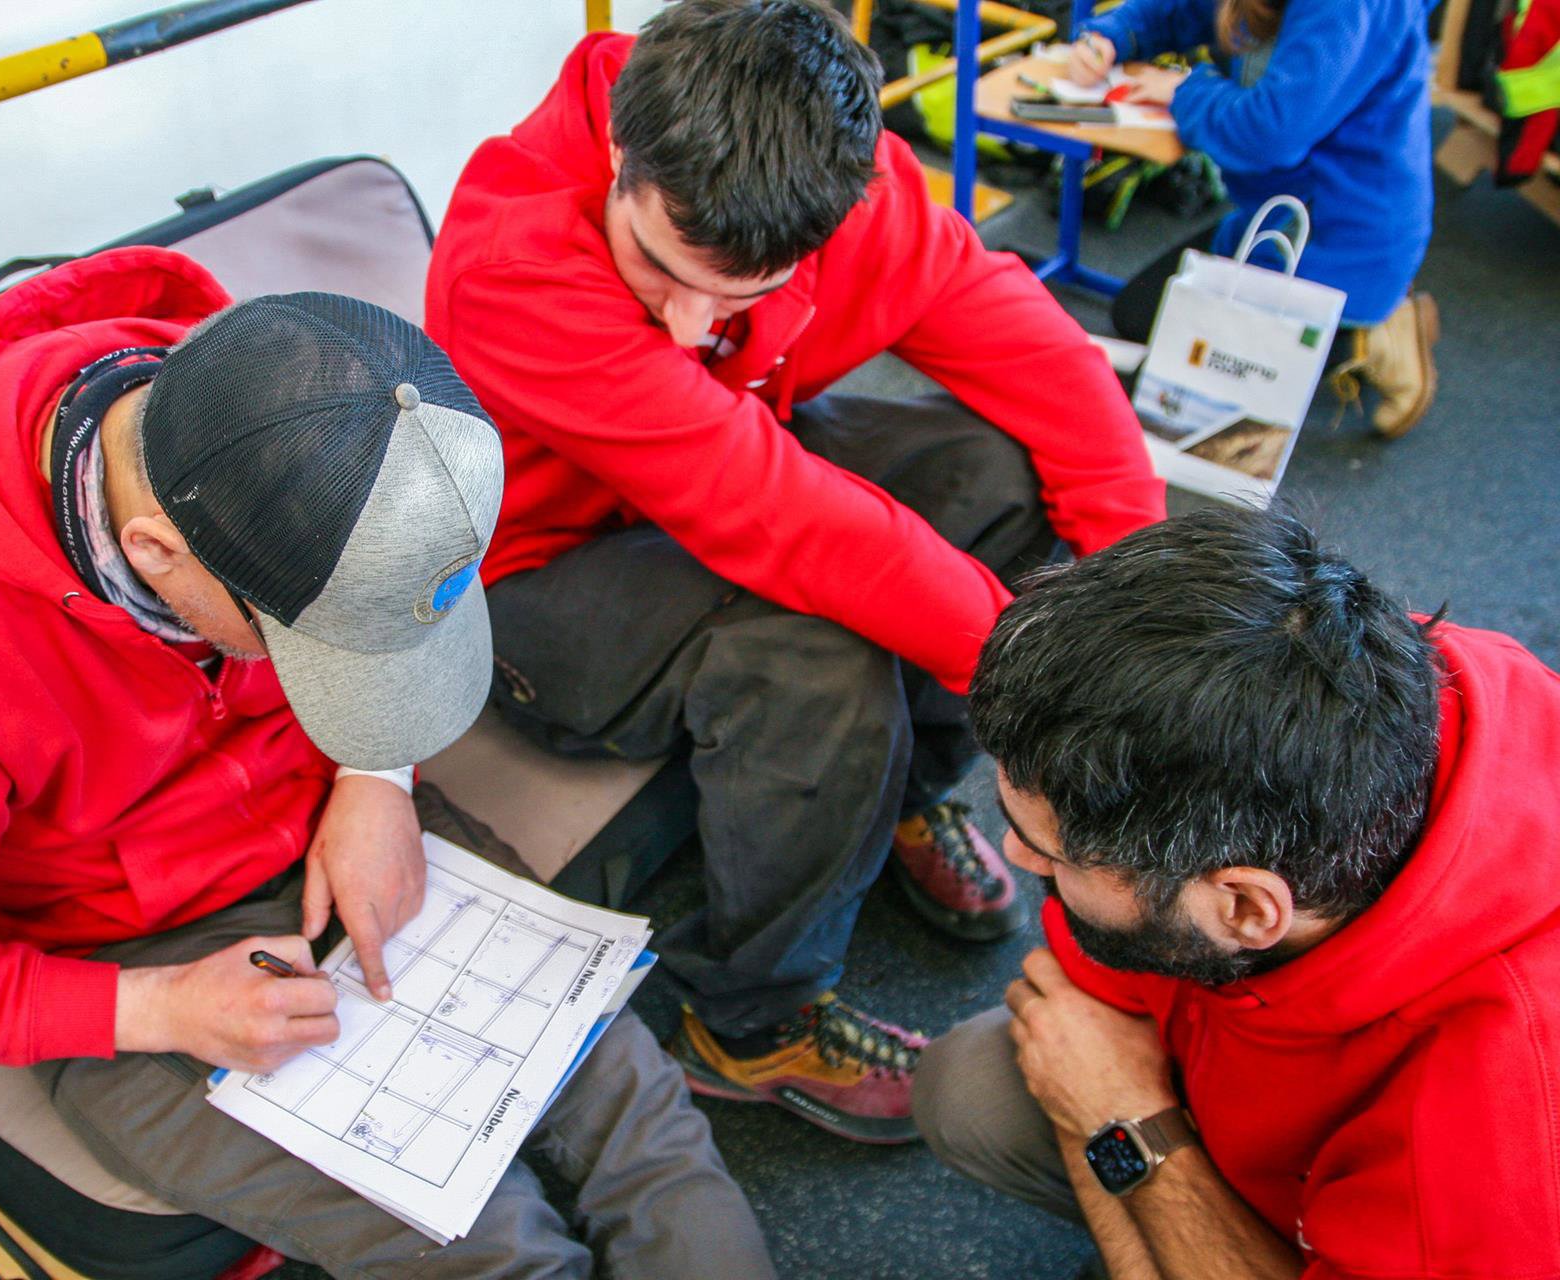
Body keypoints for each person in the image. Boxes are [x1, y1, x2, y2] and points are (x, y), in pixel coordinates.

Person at [0, 246, 774, 1278]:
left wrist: (376, 776)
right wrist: (159, 1007)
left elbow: (382, 618)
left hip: (339, 816)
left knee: (650, 1134)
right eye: (314, 649)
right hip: (127, 953)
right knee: (490, 1250)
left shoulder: (302, 391)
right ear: (155, 556)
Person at [425, 0, 1167, 1144]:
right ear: (622, 151)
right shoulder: (510, 264)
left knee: (998, 474)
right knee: (812, 650)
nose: (687, 325)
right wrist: (1045, 689)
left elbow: (1036, 353)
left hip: (724, 467)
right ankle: (751, 1020)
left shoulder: (848, 184)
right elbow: (786, 523)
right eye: (657, 264)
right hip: (539, 577)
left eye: (739, 292)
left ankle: (897, 793)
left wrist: (1140, 600)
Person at [912, 507, 1560, 1279]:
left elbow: (1092, 1076)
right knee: (973, 1088)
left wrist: (1120, 1121)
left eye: (1049, 853)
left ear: (1246, 908)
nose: (1015, 855)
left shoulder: (1491, 1151)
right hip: (1236, 1099)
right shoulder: (1332, 676)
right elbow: (1083, 1004)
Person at [1068, 0, 1442, 437]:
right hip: (1277, 215)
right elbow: (1186, 8)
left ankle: (1367, 336)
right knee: (1138, 316)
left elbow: (1270, 134)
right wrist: (1112, 36)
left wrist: (1185, 90)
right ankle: (1354, 319)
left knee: (1159, 392)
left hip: (1342, 237)